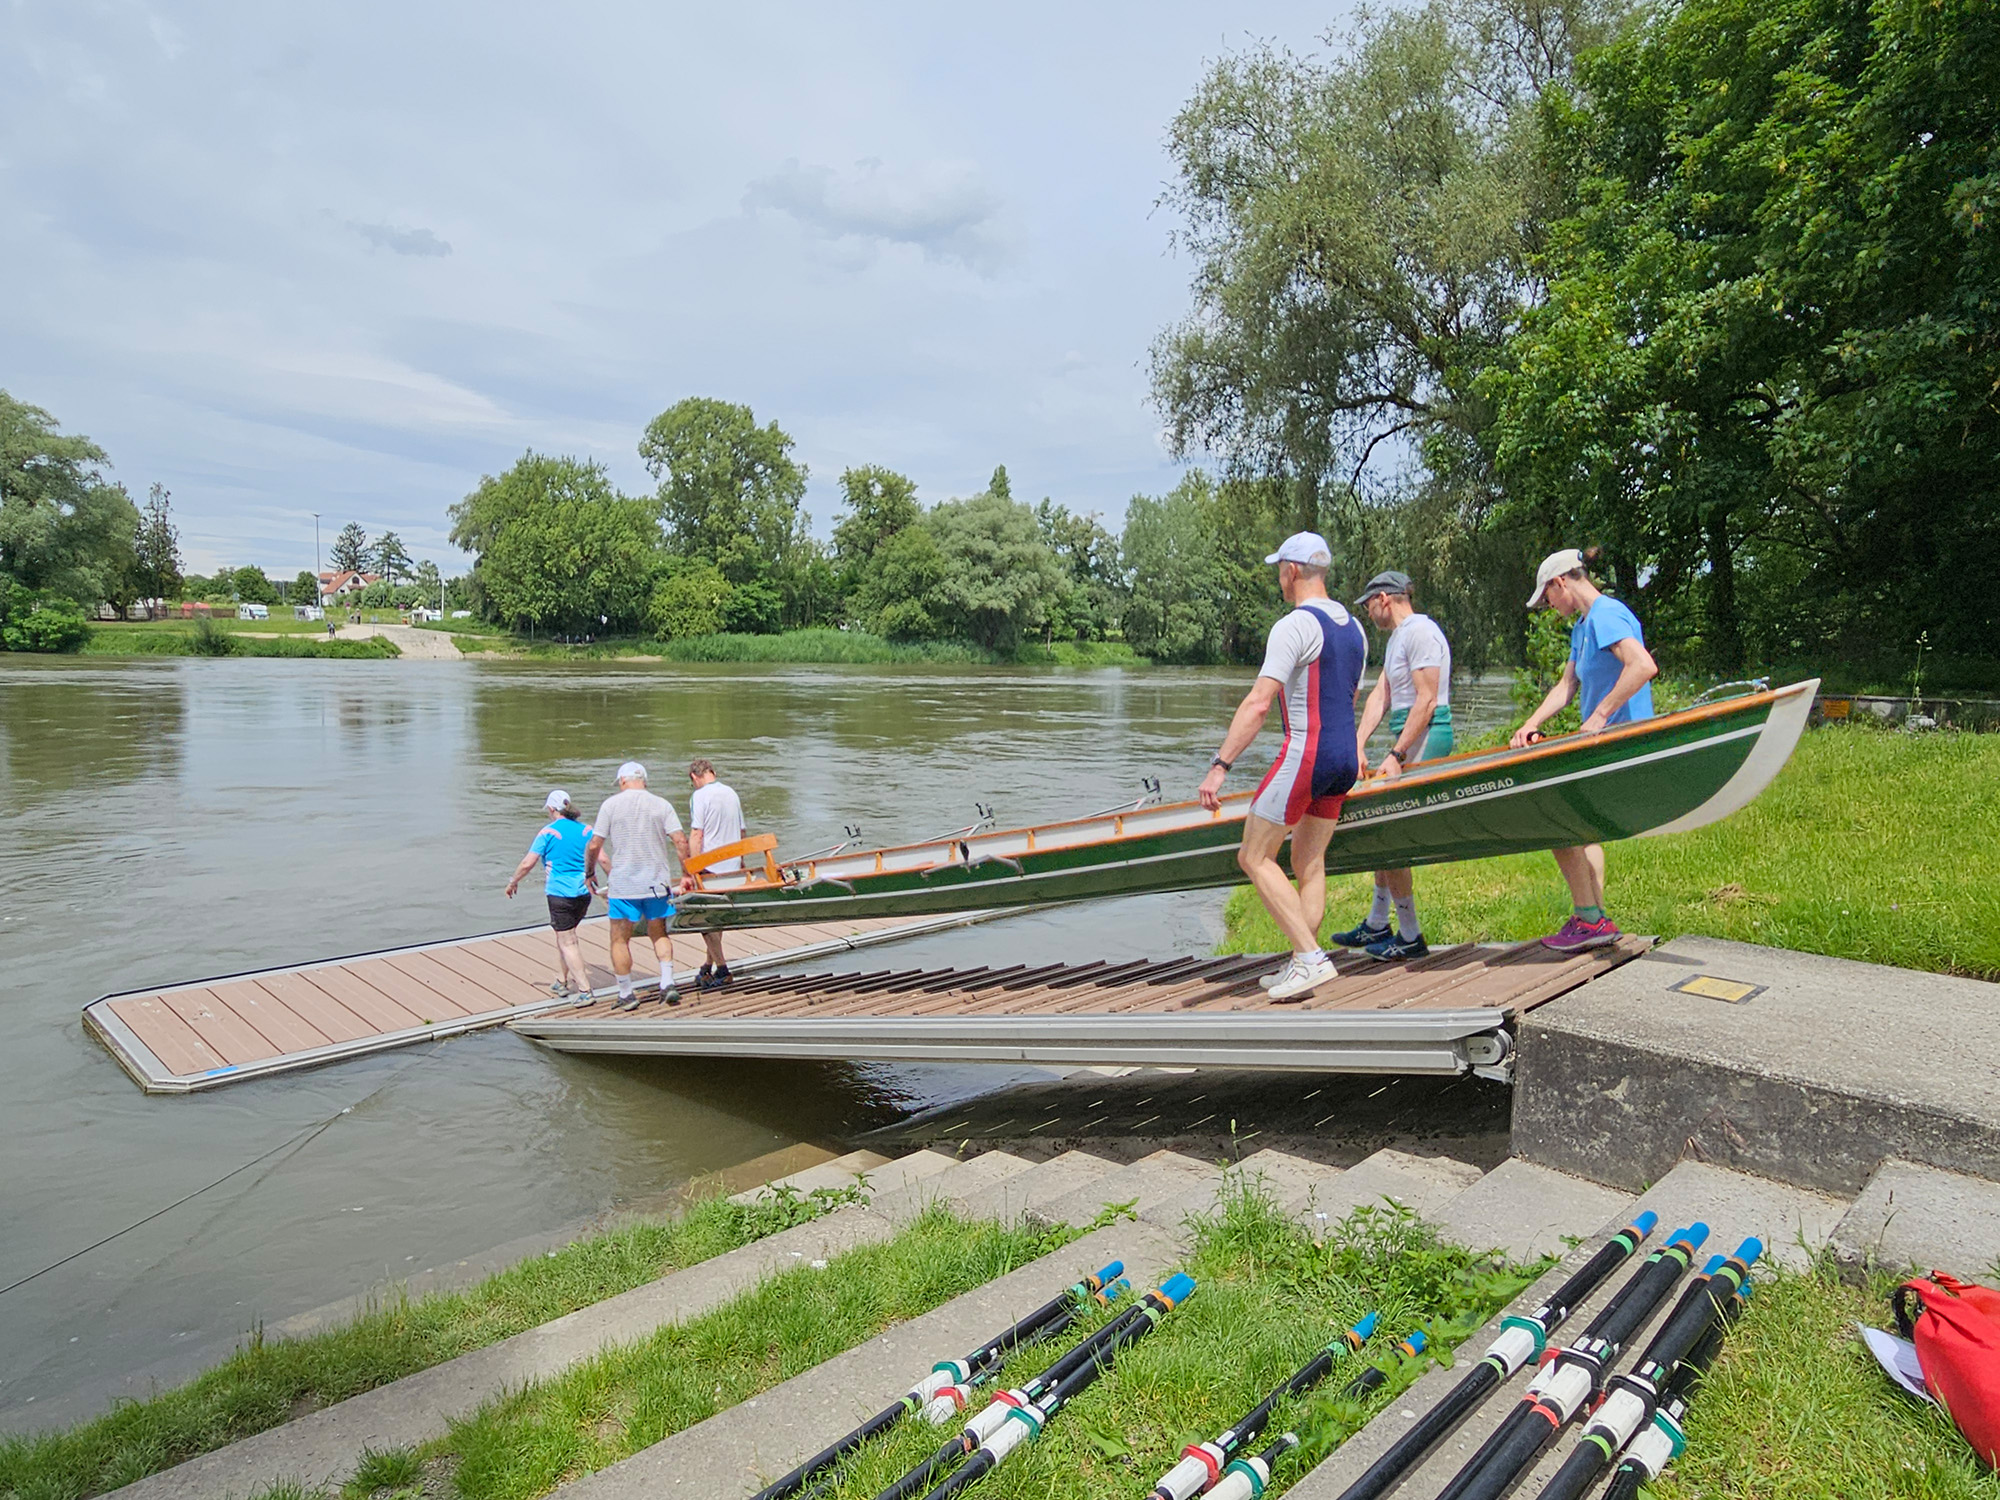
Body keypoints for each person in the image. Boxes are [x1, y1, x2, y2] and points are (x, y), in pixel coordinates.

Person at [1197, 532, 1369, 1001]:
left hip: (1307, 755)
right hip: (1343, 757)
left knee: (1253, 856)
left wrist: (1220, 765)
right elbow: (1348, 697)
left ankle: (1311, 959)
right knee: (1308, 861)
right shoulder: (1355, 628)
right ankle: (1302, 961)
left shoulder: (1293, 626)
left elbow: (1259, 703)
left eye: (1279, 569)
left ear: (1292, 571)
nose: (1279, 577)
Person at [1511, 546, 1659, 951]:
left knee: (1557, 820)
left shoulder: (1607, 615)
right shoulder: (1584, 625)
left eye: (1547, 598)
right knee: (1584, 832)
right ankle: (1595, 919)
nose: (1549, 607)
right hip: (1604, 747)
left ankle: (1590, 920)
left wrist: (1600, 716)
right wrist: (1531, 723)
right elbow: (1567, 685)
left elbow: (1643, 666)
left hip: (1623, 745)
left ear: (1560, 583)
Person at [1333, 571, 1454, 961]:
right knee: (1381, 825)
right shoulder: (1399, 638)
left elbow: (1427, 700)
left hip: (1427, 735)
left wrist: (1397, 755)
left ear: (1384, 598)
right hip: (1407, 735)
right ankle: (1377, 923)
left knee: (1391, 833)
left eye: (1368, 605)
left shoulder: (1421, 632)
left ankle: (1410, 935)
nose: (1367, 613)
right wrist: (1356, 743)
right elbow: (1381, 696)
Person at [587, 761, 692, 1008]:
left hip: (624, 885)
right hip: (656, 882)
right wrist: (686, 873)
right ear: (644, 780)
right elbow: (680, 841)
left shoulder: (610, 805)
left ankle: (626, 993)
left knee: (619, 939)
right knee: (659, 933)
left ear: (623, 780)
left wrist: (589, 871)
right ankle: (667, 982)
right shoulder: (661, 804)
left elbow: (594, 844)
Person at [504, 789, 595, 997]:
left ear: (552, 809)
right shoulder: (587, 830)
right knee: (565, 935)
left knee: (568, 941)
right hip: (583, 893)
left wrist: (513, 882)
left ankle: (585, 990)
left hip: (560, 894)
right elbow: (603, 858)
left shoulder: (548, 832)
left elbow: (527, 863)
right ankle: (562, 980)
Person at [685, 758, 746, 989]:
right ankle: (708, 965)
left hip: (711, 866)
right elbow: (742, 830)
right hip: (732, 866)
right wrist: (741, 861)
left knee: (705, 919)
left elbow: (697, 834)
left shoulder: (699, 796)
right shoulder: (731, 793)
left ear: (694, 777)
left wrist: (693, 867)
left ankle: (722, 969)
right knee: (716, 918)